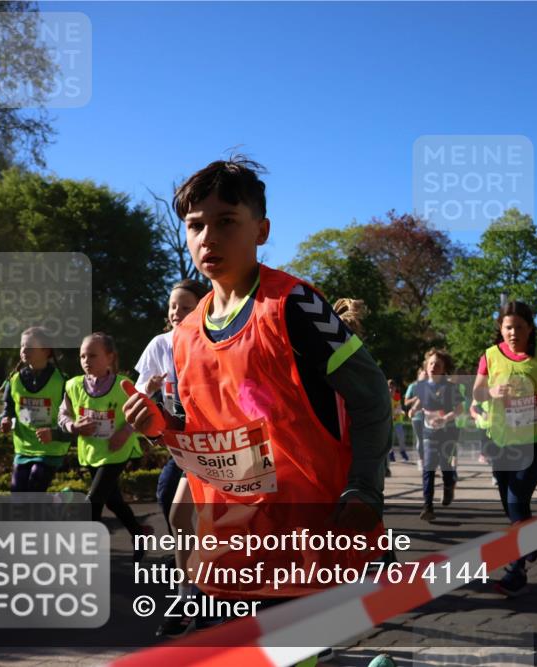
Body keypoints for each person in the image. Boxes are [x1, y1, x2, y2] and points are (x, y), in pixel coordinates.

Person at [123, 157, 391, 610]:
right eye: (195, 225)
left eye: (226, 221)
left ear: (261, 231)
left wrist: (364, 488)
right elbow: (205, 432)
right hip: (232, 535)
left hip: (308, 531)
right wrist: (162, 426)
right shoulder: (186, 333)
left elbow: (371, 395)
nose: (208, 237)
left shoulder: (293, 304)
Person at [472, 300, 537, 596]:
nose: (513, 333)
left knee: (517, 498)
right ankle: (530, 539)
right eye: (508, 327)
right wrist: (490, 391)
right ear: (500, 329)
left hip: (535, 438)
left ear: (530, 328)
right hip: (500, 439)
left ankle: (516, 570)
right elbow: (477, 391)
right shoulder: (490, 356)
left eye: (519, 327)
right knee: (510, 502)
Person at [133, 278, 209, 637]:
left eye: (185, 306)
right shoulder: (160, 346)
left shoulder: (214, 344)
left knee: (192, 514)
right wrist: (145, 397)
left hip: (221, 448)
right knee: (174, 507)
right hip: (183, 450)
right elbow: (138, 404)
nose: (176, 312)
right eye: (172, 307)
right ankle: (188, 592)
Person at [60, 332, 152, 560]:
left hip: (117, 451)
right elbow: (63, 416)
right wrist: (73, 426)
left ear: (110, 357)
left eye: (92, 355)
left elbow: (143, 412)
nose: (86, 361)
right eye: (82, 356)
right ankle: (139, 533)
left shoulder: (124, 385)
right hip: (91, 452)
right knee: (114, 501)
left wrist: (126, 431)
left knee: (94, 500)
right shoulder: (72, 385)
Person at [0, 326, 71, 493]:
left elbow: (71, 419)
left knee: (35, 485)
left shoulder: (63, 381)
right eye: (22, 346)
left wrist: (55, 433)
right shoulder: (14, 380)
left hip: (50, 448)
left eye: (30, 347)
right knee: (18, 494)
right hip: (23, 447)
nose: (24, 350)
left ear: (46, 350)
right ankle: (60, 502)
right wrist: (4, 420)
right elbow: (7, 409)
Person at [410, 349, 462, 521]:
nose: (433, 367)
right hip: (428, 432)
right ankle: (428, 506)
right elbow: (420, 400)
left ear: (444, 368)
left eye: (438, 364)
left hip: (447, 432)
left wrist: (445, 418)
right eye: (431, 363)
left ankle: (449, 484)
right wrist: (414, 409)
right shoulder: (422, 386)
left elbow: (460, 409)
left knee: (445, 466)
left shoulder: (450, 387)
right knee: (429, 467)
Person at [405, 367, 427, 470]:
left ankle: (428, 463)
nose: (426, 376)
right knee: (421, 439)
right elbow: (406, 402)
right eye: (424, 374)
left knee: (429, 440)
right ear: (419, 375)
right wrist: (415, 398)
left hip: (429, 417)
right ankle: (421, 461)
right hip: (417, 417)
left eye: (427, 374)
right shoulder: (412, 386)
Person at [387, 379, 410, 462]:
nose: (390, 389)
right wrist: (395, 412)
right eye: (389, 387)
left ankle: (402, 452)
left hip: (398, 421)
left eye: (392, 388)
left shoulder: (397, 396)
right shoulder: (386, 397)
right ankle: (391, 453)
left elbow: (398, 407)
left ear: (395, 388)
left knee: (401, 437)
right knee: (390, 438)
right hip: (389, 421)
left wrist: (400, 411)